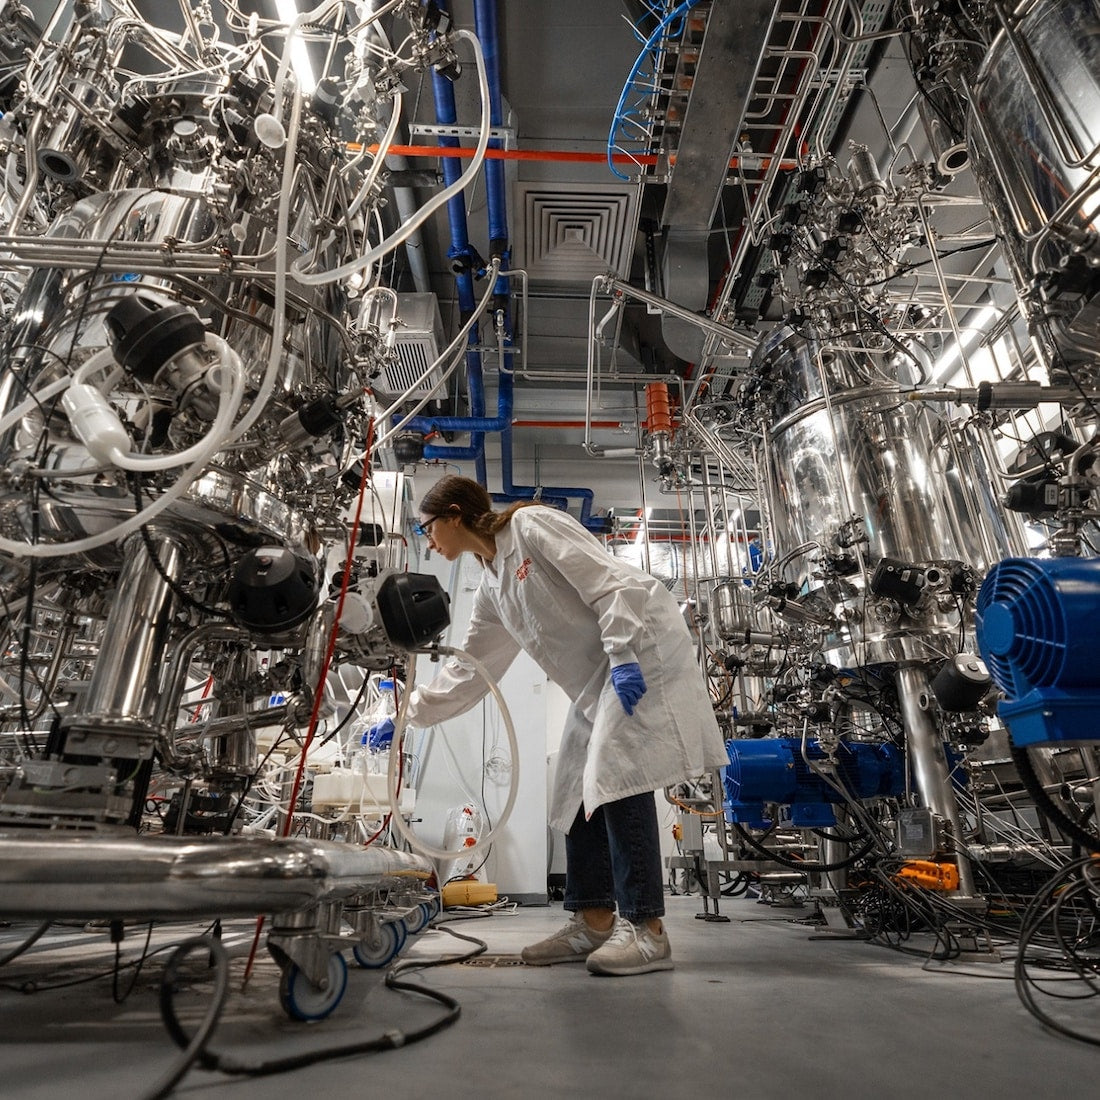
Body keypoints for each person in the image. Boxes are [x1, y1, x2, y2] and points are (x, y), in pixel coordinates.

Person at [401, 475, 727, 976]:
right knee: (572, 787)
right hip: (597, 678)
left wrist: (622, 654)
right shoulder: (492, 584)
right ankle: (593, 921)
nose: (428, 539)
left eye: (427, 528)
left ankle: (647, 930)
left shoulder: (531, 525)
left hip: (639, 648)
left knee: (618, 775)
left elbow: (607, 580)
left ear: (454, 514)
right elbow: (471, 669)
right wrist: (409, 713)